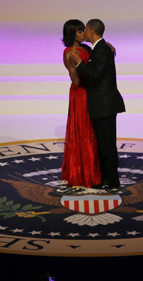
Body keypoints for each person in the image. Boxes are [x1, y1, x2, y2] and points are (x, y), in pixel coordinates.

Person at [70, 19, 126, 191]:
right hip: (104, 105)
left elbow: (94, 76)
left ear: (92, 31)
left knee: (106, 145)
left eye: (86, 29)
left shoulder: (101, 50)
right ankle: (109, 178)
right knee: (106, 144)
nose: (84, 33)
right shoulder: (102, 49)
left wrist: (78, 62)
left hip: (105, 105)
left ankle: (111, 181)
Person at [61, 20, 103, 188]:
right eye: (79, 31)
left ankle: (93, 171)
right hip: (80, 95)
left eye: (83, 30)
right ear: (72, 34)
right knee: (83, 133)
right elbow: (76, 80)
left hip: (90, 93)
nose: (82, 33)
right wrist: (74, 63)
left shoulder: (86, 49)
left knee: (92, 133)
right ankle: (82, 175)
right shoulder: (68, 53)